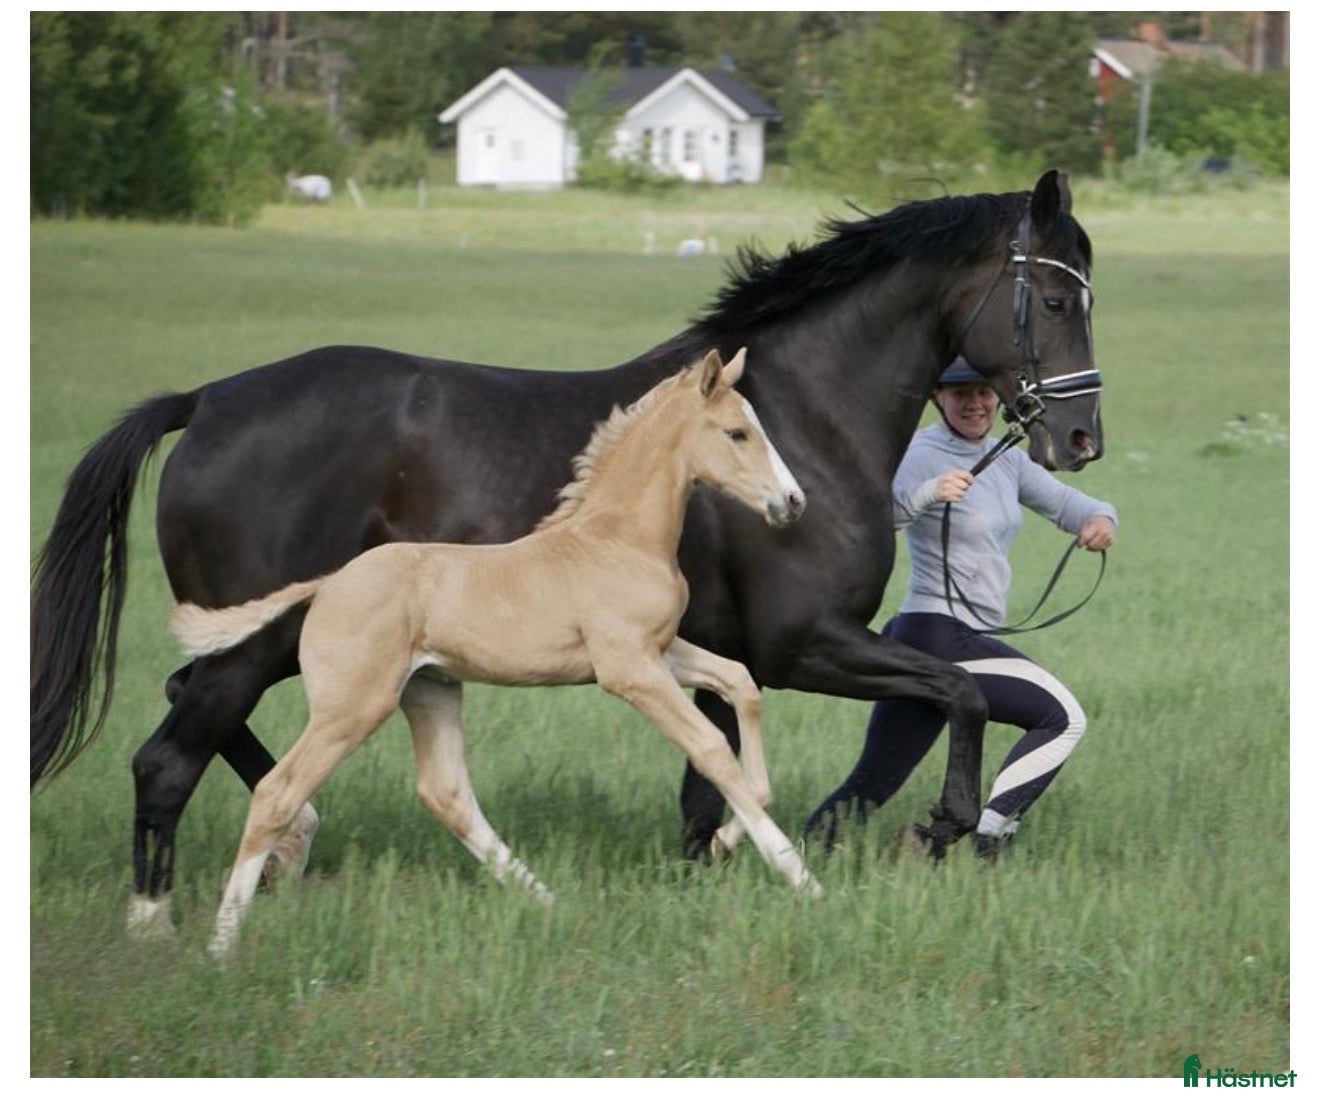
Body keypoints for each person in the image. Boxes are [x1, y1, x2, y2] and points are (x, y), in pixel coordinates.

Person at [804, 356, 1117, 858]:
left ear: (998, 396)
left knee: (873, 782)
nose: (975, 403)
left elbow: (1064, 503)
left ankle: (809, 853)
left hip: (935, 637)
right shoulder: (919, 452)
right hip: (939, 634)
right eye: (960, 393)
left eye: (984, 392)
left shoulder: (1007, 458)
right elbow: (874, 519)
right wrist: (929, 493)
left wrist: (1101, 519)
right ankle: (986, 839)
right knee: (1063, 718)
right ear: (937, 398)